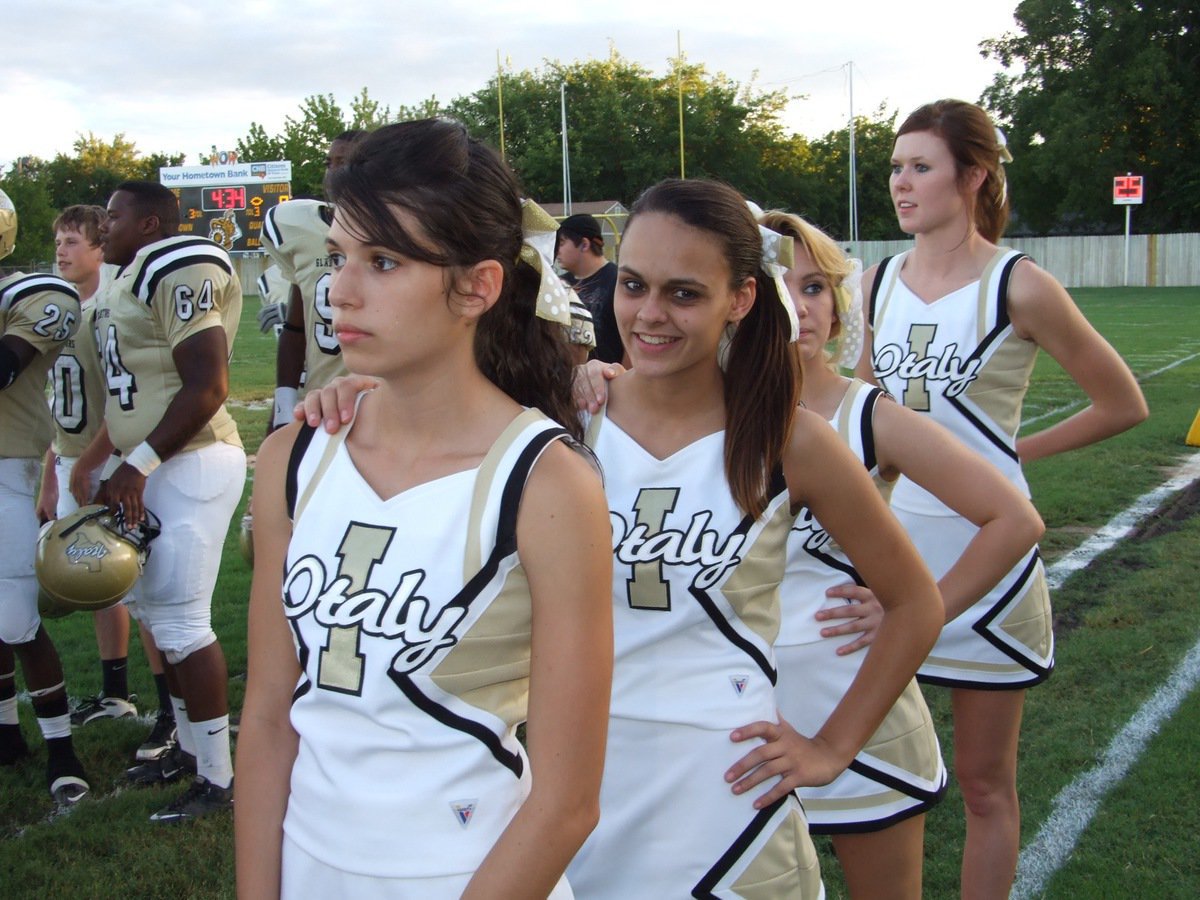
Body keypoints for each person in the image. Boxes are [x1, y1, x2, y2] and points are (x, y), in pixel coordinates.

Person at [235, 119, 612, 899]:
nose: (339, 288)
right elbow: (269, 720)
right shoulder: (294, 458)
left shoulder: (545, 482)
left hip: (467, 874)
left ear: (476, 286)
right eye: (339, 256)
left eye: (383, 261)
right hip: (308, 865)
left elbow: (569, 803)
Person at [856, 99, 1148, 898]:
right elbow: (857, 419)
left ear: (974, 175)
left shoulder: (1020, 284)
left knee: (985, 789)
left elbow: (1122, 402)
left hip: (991, 563)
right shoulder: (873, 284)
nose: (901, 183)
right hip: (888, 563)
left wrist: (1012, 452)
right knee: (878, 782)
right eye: (895, 166)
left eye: (921, 166)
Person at [759, 209, 1044, 899]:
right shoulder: (704, 417)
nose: (799, 304)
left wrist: (923, 610)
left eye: (817, 287)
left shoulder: (869, 415)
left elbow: (1014, 519)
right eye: (779, 284)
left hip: (856, 706)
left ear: (838, 305)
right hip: (744, 720)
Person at [93, 180, 248, 822]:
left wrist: (138, 463)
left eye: (115, 214)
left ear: (152, 222)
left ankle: (219, 781)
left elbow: (208, 384)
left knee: (183, 621)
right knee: (158, 618)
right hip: (155, 466)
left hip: (191, 462)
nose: (104, 225)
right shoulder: (127, 278)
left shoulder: (176, 260)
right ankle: (189, 750)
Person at [0, 187, 91, 805]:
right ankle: (6, 734)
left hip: (8, 470)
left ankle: (62, 748)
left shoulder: (36, 294)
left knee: (16, 620)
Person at [260, 130, 365, 435]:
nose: (332, 173)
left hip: (385, 399)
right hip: (320, 404)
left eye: (343, 163)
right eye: (329, 163)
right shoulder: (298, 227)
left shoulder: (404, 229)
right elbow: (296, 329)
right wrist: (282, 407)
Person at [556, 213, 623, 364]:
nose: (556, 250)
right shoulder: (559, 284)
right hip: (569, 380)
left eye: (561, 243)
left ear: (584, 244)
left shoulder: (618, 281)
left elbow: (630, 342)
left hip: (609, 380)